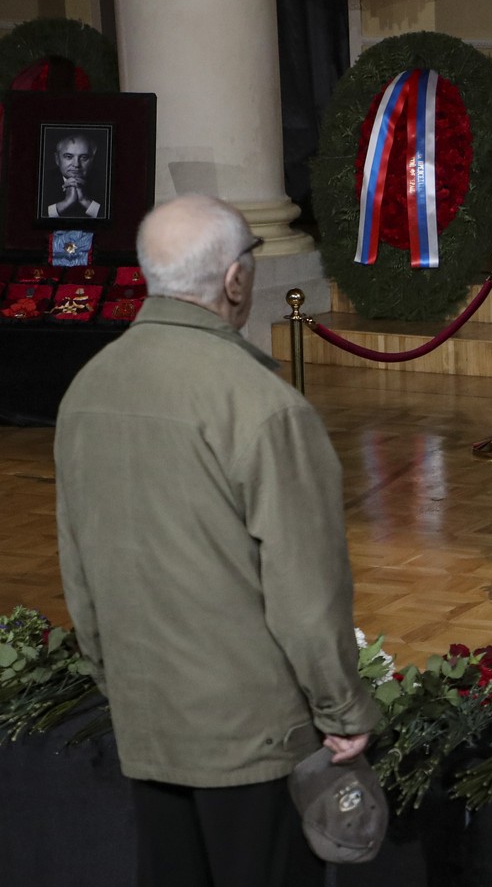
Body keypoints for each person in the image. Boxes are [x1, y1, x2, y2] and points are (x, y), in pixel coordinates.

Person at [54, 194, 381, 886]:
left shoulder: (88, 388)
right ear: (236, 281)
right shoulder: (261, 406)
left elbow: (78, 567)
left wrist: (118, 685)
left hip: (148, 720)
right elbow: (305, 590)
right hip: (250, 734)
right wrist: (342, 708)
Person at [46, 132, 103, 218]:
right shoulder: (43, 179)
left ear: (92, 160)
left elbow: (113, 219)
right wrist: (66, 203)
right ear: (57, 159)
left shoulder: (105, 181)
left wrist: (85, 200)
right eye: (69, 156)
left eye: (84, 157)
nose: (76, 165)